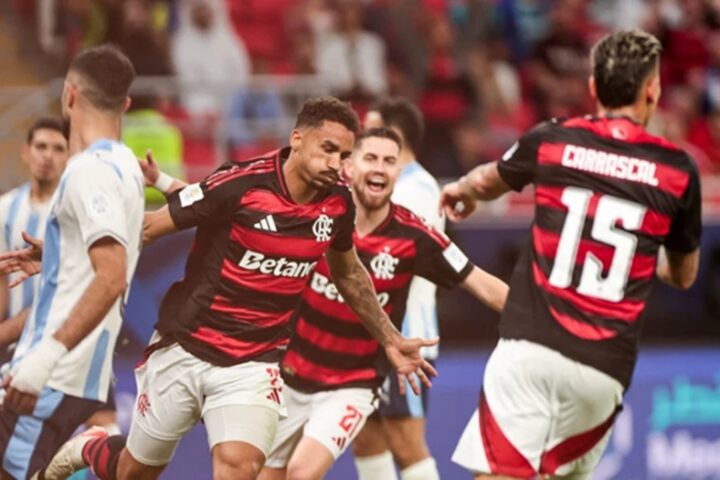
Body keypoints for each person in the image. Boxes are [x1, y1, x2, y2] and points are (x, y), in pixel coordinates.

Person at [39, 97, 437, 480]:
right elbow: (148, 227)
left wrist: (390, 338)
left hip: (255, 362)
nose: (336, 164)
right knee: (133, 472)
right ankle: (89, 448)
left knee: (240, 467)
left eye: (344, 155)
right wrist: (65, 249)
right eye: (328, 149)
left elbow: (348, 273)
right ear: (297, 139)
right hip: (187, 345)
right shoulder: (240, 183)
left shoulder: (337, 205)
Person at [442, 30, 701, 479]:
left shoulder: (555, 139)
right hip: (604, 371)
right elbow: (683, 275)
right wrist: (644, 254)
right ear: (652, 90)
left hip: (533, 350)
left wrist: (460, 191)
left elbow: (487, 181)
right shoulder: (677, 171)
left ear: (594, 87)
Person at [258, 127, 508, 480]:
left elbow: (482, 283)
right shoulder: (316, 212)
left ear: (397, 173)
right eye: (371, 158)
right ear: (349, 167)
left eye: (389, 161)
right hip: (290, 374)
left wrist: (543, 321)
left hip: (352, 385)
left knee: (301, 473)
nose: (379, 168)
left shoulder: (414, 235)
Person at [0, 44, 143, 480]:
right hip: (73, 371)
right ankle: (76, 455)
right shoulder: (126, 166)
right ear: (125, 104)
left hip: (53, 373)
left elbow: (112, 276)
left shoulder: (88, 171)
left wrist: (43, 360)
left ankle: (80, 454)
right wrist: (60, 257)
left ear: (69, 94)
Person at [354, 97, 445, 480]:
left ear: (393, 135)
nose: (362, 133)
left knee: (406, 442)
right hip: (366, 333)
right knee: (366, 437)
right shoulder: (379, 185)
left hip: (406, 334)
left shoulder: (417, 189)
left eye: (371, 127)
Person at [0, 118, 69, 366]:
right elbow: (2, 278)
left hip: (63, 347)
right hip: (14, 349)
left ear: (68, 157)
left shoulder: (74, 209)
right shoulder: (5, 208)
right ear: (26, 152)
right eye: (41, 146)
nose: (48, 156)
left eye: (58, 148)